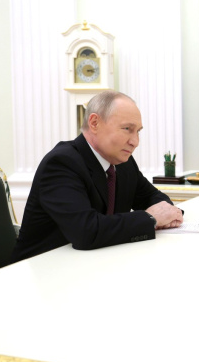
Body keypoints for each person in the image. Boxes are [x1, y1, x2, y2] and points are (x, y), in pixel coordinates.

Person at [11, 91, 183, 262]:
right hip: (43, 268)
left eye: (138, 131)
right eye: (127, 129)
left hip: (97, 263)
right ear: (94, 123)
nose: (135, 142)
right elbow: (86, 232)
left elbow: (153, 198)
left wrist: (166, 213)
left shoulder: (122, 162)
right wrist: (151, 218)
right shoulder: (61, 163)